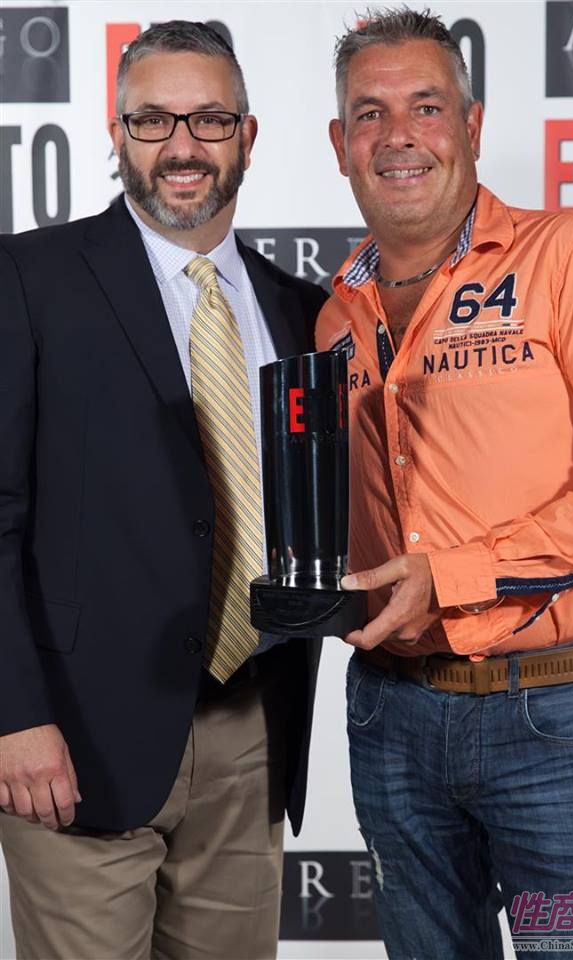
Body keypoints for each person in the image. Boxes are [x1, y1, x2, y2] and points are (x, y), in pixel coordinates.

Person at [316, 7, 573, 959]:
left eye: (426, 106)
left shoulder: (570, 254)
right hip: (389, 717)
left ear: (472, 125)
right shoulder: (337, 314)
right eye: (369, 114)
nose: (398, 135)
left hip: (556, 718)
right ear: (339, 145)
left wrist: (456, 574)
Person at [0, 20, 326, 960]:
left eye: (210, 120)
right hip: (75, 739)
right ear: (118, 133)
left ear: (248, 136)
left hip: (253, 734)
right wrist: (13, 715)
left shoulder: (300, 309)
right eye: (153, 121)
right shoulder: (29, 279)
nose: (182, 147)